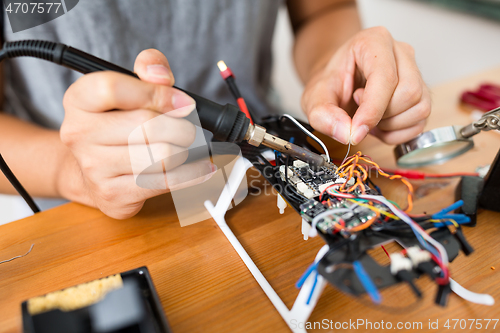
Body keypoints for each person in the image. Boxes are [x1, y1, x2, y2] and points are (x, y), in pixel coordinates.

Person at [0, 0, 430, 219]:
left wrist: (332, 68)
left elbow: (324, 9)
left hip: (262, 174)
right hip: (96, 210)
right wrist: (70, 171)